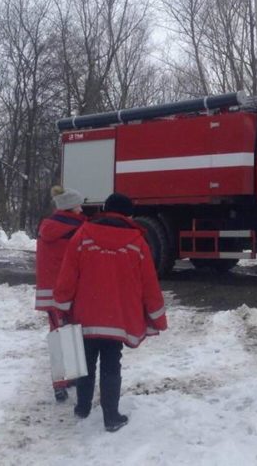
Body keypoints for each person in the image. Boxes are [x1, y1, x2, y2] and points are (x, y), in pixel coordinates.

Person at [53, 192, 168, 432]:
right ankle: (111, 416)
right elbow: (149, 284)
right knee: (111, 365)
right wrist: (158, 317)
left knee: (85, 362)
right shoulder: (137, 242)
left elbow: (68, 275)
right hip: (117, 318)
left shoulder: (83, 235)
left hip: (86, 315)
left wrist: (62, 305)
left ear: (105, 209)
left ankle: (82, 408)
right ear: (127, 214)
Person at [35, 185, 87, 403]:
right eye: (79, 206)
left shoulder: (46, 227)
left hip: (49, 292)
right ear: (71, 208)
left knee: (58, 334)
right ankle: (68, 378)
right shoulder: (79, 229)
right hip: (70, 291)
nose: (81, 210)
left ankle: (62, 381)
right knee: (73, 332)